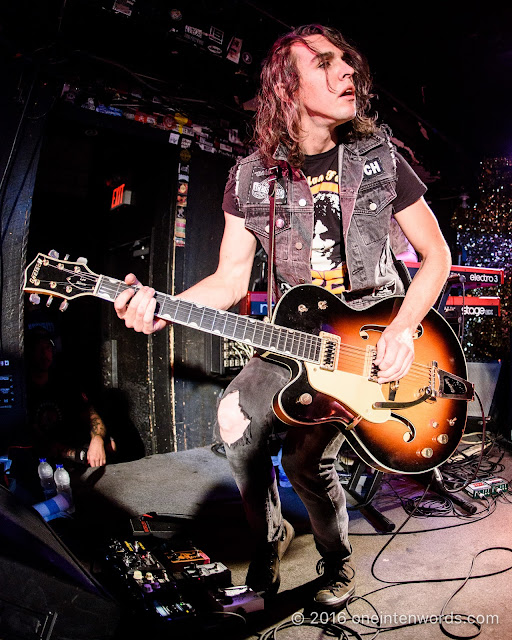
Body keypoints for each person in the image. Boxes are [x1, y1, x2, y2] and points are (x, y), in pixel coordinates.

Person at [114, 24, 451, 607]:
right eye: (324, 62)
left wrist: (402, 328)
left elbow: (437, 256)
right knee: (232, 419)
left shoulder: (380, 160)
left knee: (303, 460)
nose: (347, 70)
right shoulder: (250, 178)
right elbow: (228, 279)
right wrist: (162, 309)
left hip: (376, 338)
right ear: (285, 89)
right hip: (297, 338)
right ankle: (269, 536)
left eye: (346, 59)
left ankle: (336, 558)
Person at [25, 328, 115, 468]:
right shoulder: (22, 388)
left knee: (110, 445)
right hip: (43, 460)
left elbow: (91, 415)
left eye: (48, 348)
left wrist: (97, 440)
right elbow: (33, 436)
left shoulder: (64, 382)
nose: (45, 354)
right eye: (38, 349)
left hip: (74, 449)